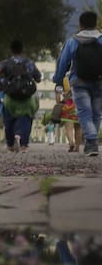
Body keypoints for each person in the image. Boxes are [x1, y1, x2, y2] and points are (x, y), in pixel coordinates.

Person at [54, 10, 102, 156]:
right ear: (95, 24)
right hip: (99, 82)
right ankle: (91, 143)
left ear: (81, 24)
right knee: (96, 113)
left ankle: (91, 142)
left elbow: (63, 62)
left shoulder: (73, 41)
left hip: (79, 82)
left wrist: (58, 80)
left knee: (84, 112)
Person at [0, 40, 41, 153]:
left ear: (11, 50)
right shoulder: (29, 63)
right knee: (26, 120)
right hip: (26, 99)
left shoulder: (6, 63)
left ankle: (10, 144)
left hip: (10, 98)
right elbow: (38, 78)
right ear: (22, 49)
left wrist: (2, 85)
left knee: (9, 121)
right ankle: (23, 143)